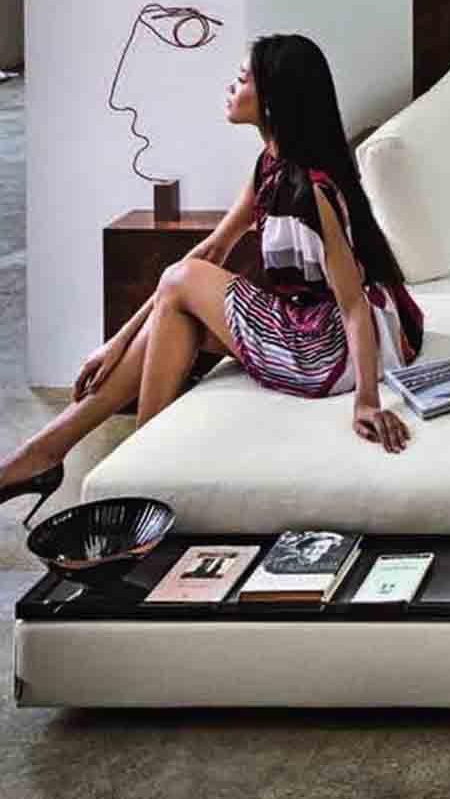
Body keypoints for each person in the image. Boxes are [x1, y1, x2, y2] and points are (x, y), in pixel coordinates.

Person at [0, 33, 423, 523]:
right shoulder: (270, 168)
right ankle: (60, 456)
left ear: (273, 100)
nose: (230, 88)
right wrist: (116, 343)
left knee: (184, 283)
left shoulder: (313, 191)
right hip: (303, 329)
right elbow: (210, 252)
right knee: (177, 313)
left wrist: (366, 402)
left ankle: (129, 467)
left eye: (242, 80)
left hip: (325, 350)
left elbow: (352, 306)